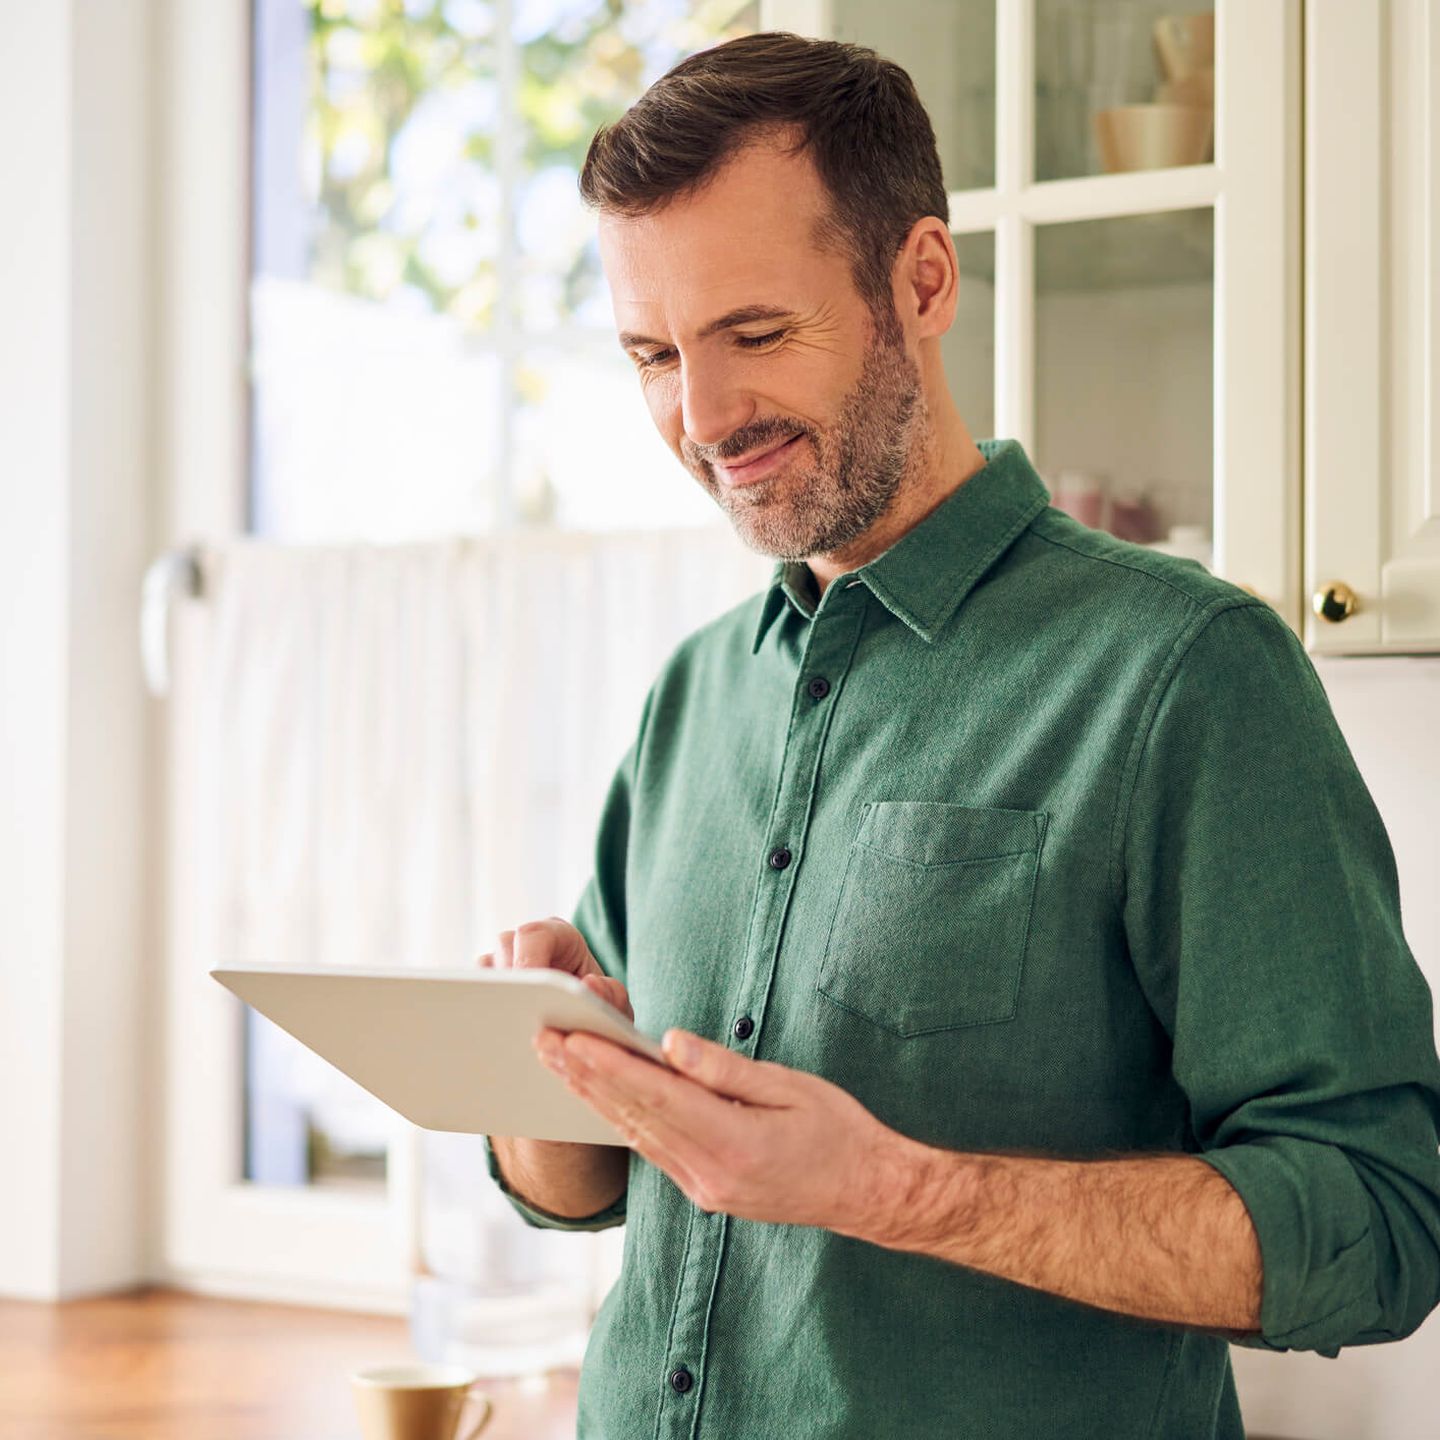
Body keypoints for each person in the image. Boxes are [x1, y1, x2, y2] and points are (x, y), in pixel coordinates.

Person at [479, 31, 1440, 1439]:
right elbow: (596, 1187)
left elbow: (1380, 1219)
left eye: (755, 334)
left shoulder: (1186, 672)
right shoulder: (694, 694)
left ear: (921, 282)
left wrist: (886, 1188)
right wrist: (541, 1063)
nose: (704, 416)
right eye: (653, 356)